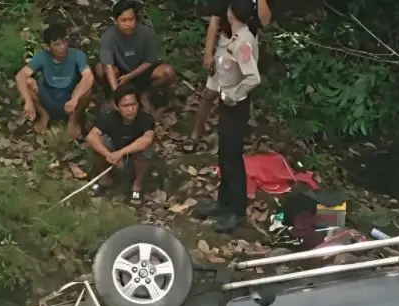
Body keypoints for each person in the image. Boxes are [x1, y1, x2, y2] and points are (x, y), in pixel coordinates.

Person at [192, 0, 261, 232]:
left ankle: (238, 211)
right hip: (226, 102)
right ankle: (223, 202)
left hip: (235, 105)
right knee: (224, 154)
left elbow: (253, 77)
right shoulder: (236, 37)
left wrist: (234, 95)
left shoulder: (243, 42)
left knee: (233, 158)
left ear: (231, 13)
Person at [192, 0, 271, 141]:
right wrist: (208, 53)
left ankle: (236, 132)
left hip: (247, 42)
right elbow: (215, 20)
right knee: (211, 91)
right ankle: (196, 133)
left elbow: (265, 22)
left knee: (244, 87)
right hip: (227, 43)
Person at [95, 0, 176, 113]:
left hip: (141, 72)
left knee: (168, 72)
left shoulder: (146, 33)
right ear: (115, 21)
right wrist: (118, 94)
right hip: (119, 76)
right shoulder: (108, 37)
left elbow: (150, 61)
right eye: (124, 20)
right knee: (100, 68)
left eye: (131, 19)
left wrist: (130, 76)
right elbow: (107, 65)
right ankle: (111, 97)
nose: (129, 24)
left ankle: (145, 95)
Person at [15, 24, 94, 139]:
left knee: (87, 87)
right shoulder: (41, 57)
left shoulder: (77, 55)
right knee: (28, 82)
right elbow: (20, 76)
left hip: (70, 100)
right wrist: (28, 102)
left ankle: (73, 121)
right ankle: (44, 115)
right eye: (57, 44)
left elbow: (88, 77)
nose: (62, 47)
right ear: (47, 47)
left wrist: (75, 98)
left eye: (64, 42)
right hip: (48, 97)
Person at [86, 85, 156, 205]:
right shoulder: (108, 118)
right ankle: (105, 179)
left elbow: (147, 139)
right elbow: (91, 136)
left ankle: (137, 184)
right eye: (125, 106)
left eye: (133, 105)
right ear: (117, 107)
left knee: (147, 148)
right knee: (99, 141)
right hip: (113, 149)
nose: (131, 110)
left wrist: (120, 153)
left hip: (133, 153)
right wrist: (108, 155)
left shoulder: (146, 118)